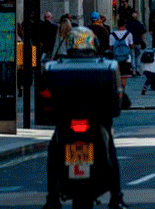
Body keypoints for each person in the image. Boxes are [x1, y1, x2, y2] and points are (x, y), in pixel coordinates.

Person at [41, 26, 127, 209]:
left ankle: (52, 198)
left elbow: (46, 100)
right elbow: (116, 100)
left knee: (54, 154)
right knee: (109, 151)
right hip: (97, 122)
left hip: (65, 122)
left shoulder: (54, 67)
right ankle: (116, 197)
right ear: (93, 43)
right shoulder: (107, 65)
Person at [109, 18, 135, 95]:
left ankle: (118, 90)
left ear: (117, 25)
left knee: (117, 76)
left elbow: (110, 47)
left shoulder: (112, 35)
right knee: (124, 76)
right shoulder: (128, 34)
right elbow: (131, 46)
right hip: (126, 59)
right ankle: (122, 92)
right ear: (124, 25)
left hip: (116, 59)